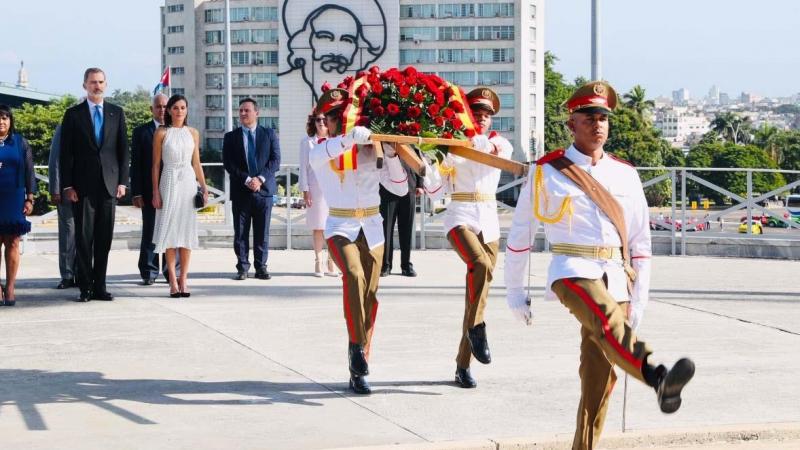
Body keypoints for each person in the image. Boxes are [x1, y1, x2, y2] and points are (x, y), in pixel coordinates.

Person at [504, 81, 695, 450]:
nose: (598, 124)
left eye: (604, 117)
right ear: (571, 124)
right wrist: (515, 291)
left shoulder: (625, 174)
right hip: (571, 270)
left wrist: (639, 301)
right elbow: (521, 234)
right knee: (605, 319)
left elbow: (640, 243)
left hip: (616, 276)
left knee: (600, 376)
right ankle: (657, 377)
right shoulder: (547, 171)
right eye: (589, 117)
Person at [308, 88, 410, 394]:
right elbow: (328, 153)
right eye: (334, 117)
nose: (340, 121)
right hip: (341, 226)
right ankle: (356, 347)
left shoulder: (370, 150)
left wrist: (391, 155)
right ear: (326, 121)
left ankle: (361, 364)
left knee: (370, 296)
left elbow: (401, 189)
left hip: (373, 228)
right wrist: (350, 139)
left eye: (343, 116)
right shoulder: (321, 150)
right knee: (353, 275)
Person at [421, 87, 513, 389]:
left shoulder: (500, 142)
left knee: (476, 300)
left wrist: (476, 143)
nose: (483, 120)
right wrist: (435, 162)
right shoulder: (452, 147)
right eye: (477, 114)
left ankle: (463, 365)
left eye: (487, 116)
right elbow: (434, 189)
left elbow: (497, 151)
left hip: (488, 220)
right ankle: (477, 329)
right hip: (460, 215)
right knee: (480, 264)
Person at [60, 68, 129, 302]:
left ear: (106, 84)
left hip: (109, 186)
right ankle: (85, 288)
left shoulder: (116, 113)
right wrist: (67, 185)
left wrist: (123, 182)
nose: (97, 86)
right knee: (83, 238)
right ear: (84, 85)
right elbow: (65, 153)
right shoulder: (73, 115)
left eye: (100, 82)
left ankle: (100, 286)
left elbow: (123, 151)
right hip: (82, 188)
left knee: (103, 240)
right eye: (92, 82)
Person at [151, 94, 208, 298]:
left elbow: (197, 163)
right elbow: (156, 165)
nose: (179, 111)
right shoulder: (161, 133)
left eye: (183, 107)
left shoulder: (192, 132)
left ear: (187, 110)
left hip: (188, 182)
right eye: (175, 107)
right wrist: (156, 191)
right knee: (170, 232)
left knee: (185, 232)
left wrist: (203, 186)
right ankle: (172, 282)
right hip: (169, 181)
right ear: (169, 110)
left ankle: (184, 278)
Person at [222, 98, 281, 281]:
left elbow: (275, 160)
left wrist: (260, 179)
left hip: (263, 191)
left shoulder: (269, 134)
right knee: (240, 232)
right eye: (240, 110)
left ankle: (261, 266)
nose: (242, 114)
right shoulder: (231, 137)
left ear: (257, 113)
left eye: (246, 110)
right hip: (241, 191)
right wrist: (247, 179)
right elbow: (229, 163)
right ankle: (242, 267)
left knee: (262, 232)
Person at [130, 93, 180, 285]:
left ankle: (171, 272)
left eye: (164, 106)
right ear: (152, 109)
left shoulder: (177, 131)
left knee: (171, 231)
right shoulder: (141, 132)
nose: (161, 110)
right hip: (149, 192)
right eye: (157, 106)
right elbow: (136, 165)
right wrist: (137, 192)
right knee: (150, 231)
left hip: (174, 189)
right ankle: (149, 272)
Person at [0, 105, 34, 306]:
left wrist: (30, 198)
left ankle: (11, 286)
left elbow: (29, 171)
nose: (1, 122)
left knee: (12, 242)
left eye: (5, 118)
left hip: (13, 198)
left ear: (10, 121)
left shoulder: (20, 142)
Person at [299, 112, 337, 277]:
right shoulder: (307, 143)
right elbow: (303, 168)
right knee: (318, 227)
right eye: (318, 120)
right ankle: (318, 261)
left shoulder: (337, 141)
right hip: (316, 189)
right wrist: (305, 189)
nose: (321, 123)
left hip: (335, 189)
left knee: (334, 227)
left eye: (324, 119)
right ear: (313, 123)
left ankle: (332, 260)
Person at [379, 161, 423, 277]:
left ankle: (406, 265)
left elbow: (418, 160)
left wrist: (420, 184)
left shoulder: (411, 143)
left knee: (406, 229)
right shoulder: (384, 143)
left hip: (409, 188)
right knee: (386, 230)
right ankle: (386, 265)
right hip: (387, 189)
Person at [48, 125, 78, 289]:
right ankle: (67, 275)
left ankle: (83, 273)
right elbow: (55, 160)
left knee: (87, 235)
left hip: (89, 193)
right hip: (65, 191)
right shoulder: (63, 128)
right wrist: (55, 189)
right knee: (68, 233)